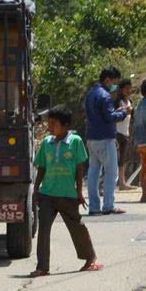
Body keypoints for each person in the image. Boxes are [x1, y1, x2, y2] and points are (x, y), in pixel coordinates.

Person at [29, 104, 101, 277]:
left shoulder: (75, 142)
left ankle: (90, 257)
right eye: (49, 123)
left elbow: (79, 168)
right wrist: (37, 189)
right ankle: (42, 267)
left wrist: (79, 192)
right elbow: (42, 168)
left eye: (54, 123)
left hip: (67, 195)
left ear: (66, 125)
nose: (50, 126)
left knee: (76, 227)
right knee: (44, 230)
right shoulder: (47, 143)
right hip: (47, 194)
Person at [83, 66, 127, 214]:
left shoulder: (90, 94)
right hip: (105, 138)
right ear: (108, 80)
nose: (115, 86)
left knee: (93, 172)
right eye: (115, 82)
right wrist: (123, 113)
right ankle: (108, 205)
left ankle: (94, 207)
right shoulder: (106, 96)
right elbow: (110, 117)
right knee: (111, 172)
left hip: (91, 137)